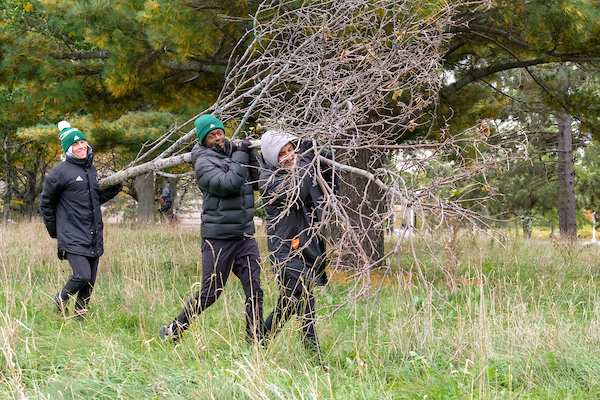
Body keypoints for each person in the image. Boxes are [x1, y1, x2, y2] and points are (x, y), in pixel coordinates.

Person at [159, 114, 264, 344]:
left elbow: (257, 183)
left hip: (244, 235)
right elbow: (229, 184)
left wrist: (251, 154)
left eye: (220, 133)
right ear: (203, 140)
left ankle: (254, 340)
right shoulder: (203, 163)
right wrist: (239, 155)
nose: (218, 138)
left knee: (254, 289)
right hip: (218, 239)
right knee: (210, 293)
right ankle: (173, 329)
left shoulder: (234, 153)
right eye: (211, 135)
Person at [258, 130, 336, 355]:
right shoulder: (268, 181)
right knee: (306, 301)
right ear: (272, 157)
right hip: (286, 252)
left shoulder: (300, 169)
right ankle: (314, 354)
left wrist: (324, 160)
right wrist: (307, 157)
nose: (289, 156)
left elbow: (328, 189)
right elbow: (298, 191)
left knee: (291, 302)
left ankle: (260, 338)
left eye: (291, 150)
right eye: (282, 154)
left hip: (307, 247)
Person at [40, 121, 122, 317]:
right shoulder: (59, 172)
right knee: (82, 275)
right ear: (69, 149)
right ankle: (60, 298)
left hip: (93, 232)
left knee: (90, 280)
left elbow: (93, 199)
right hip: (71, 233)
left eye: (83, 142)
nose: (81, 147)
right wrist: (55, 231)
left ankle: (80, 318)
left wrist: (114, 188)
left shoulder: (91, 169)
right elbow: (45, 204)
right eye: (75, 145)